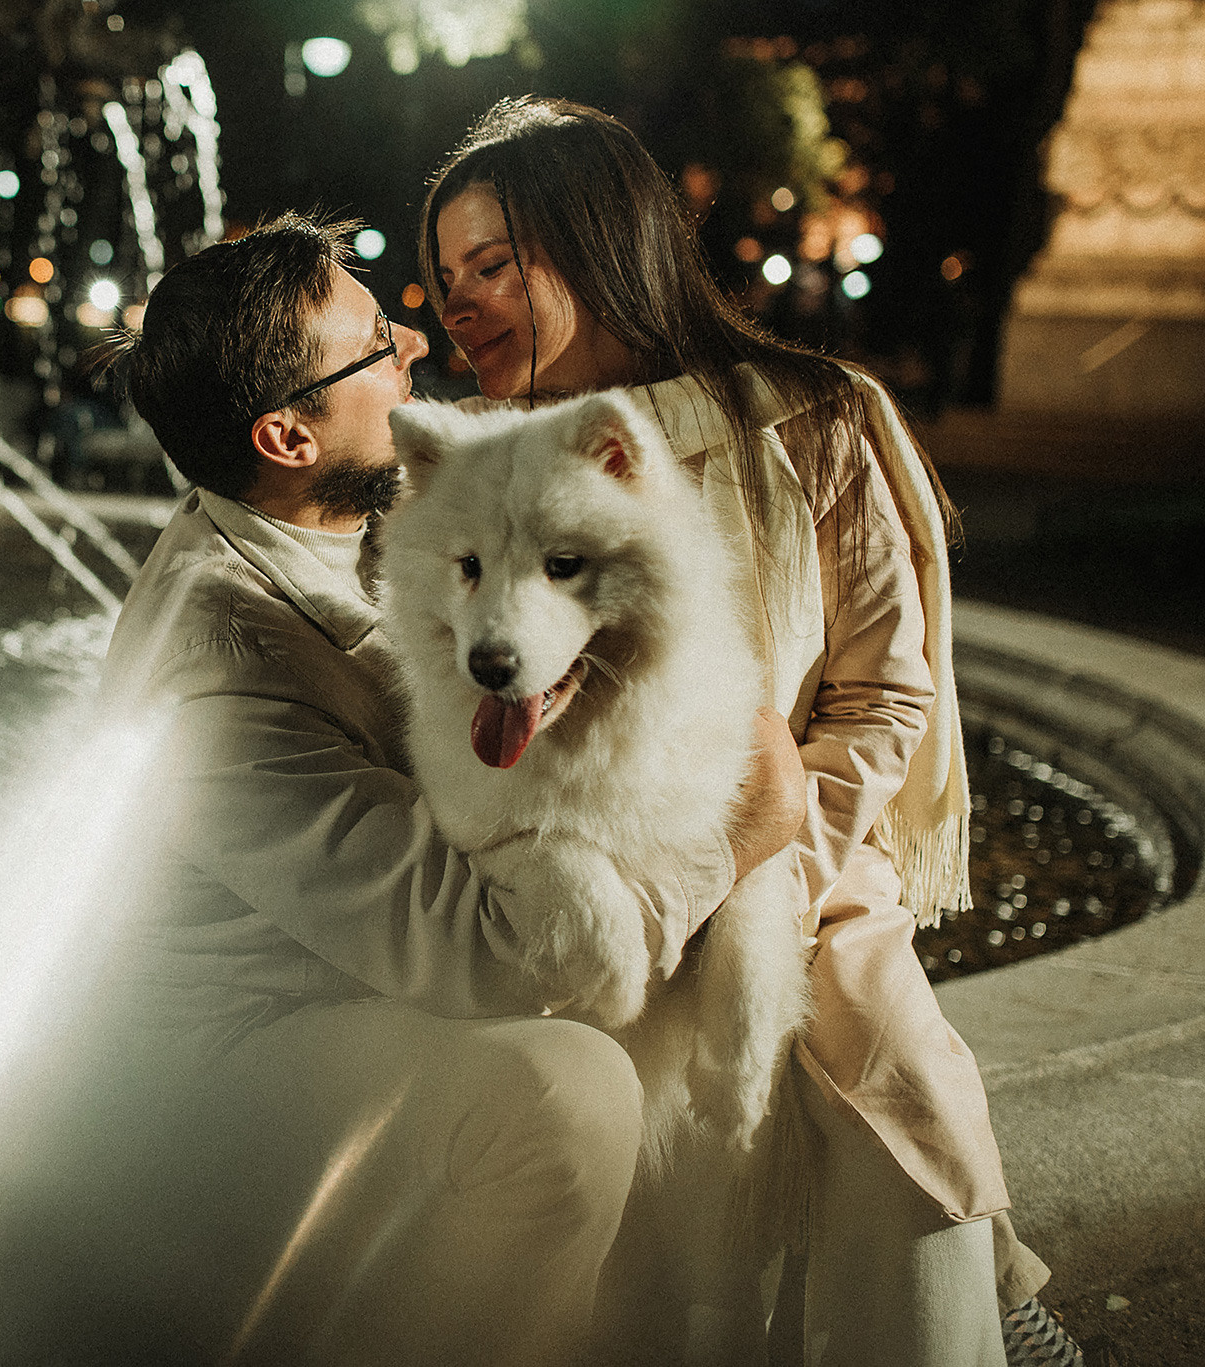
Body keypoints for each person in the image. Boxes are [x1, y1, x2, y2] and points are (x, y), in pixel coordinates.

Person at [419, 95, 1085, 1367]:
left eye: (493, 264)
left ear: (600, 243)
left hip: (809, 867)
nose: (455, 303)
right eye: (442, 277)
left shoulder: (813, 419)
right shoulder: (476, 469)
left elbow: (879, 693)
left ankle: (987, 1318)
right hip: (592, 890)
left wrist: (763, 872)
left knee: (872, 1054)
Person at [87, 212, 807, 1366]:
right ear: (283, 433)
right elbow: (492, 951)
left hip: (355, 969)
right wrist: (735, 831)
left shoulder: (353, 515)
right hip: (233, 1062)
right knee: (559, 1091)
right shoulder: (220, 679)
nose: (416, 344)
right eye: (375, 346)